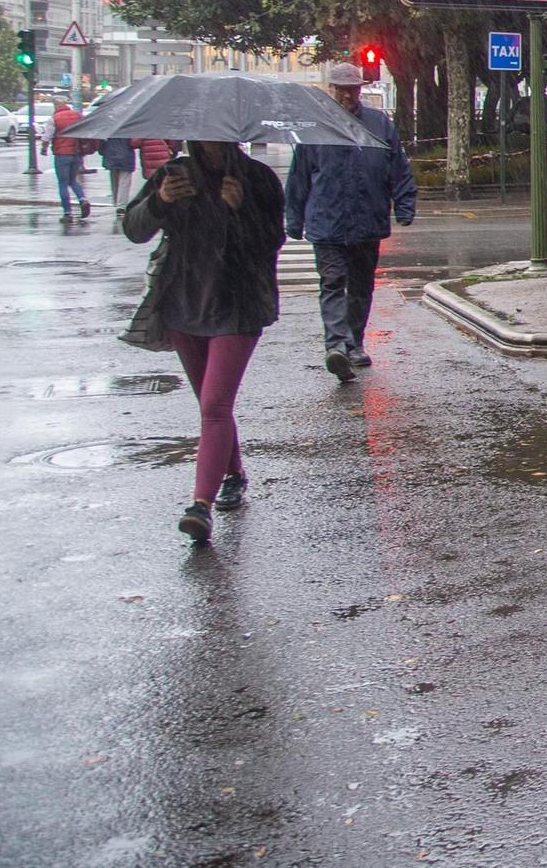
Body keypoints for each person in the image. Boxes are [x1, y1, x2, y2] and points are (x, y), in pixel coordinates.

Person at [121, 140, 286, 544]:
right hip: (183, 305)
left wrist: (241, 208)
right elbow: (134, 229)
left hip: (237, 307)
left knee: (214, 405)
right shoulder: (174, 175)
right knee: (211, 404)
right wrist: (159, 201)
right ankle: (234, 473)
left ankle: (200, 506)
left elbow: (273, 242)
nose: (207, 141)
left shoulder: (256, 178)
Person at [284, 63, 415, 382]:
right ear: (331, 89)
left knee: (360, 286)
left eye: (351, 88)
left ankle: (354, 343)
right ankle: (336, 346)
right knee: (332, 282)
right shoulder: (314, 127)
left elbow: (397, 166)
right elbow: (299, 177)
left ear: (359, 89)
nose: (346, 94)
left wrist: (404, 203)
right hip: (326, 222)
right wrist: (294, 218)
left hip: (366, 219)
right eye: (340, 88)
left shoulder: (378, 124)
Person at [41, 95, 95, 222]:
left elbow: (47, 136)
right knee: (73, 180)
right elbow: (85, 130)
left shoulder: (54, 118)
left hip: (61, 154)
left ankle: (67, 213)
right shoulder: (77, 115)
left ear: (56, 106)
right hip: (76, 153)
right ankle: (82, 199)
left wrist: (44, 148)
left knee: (63, 183)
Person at [101, 137, 137, 210]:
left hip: (110, 155)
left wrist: (104, 151)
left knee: (114, 182)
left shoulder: (109, 128)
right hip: (126, 156)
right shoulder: (129, 128)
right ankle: (121, 206)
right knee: (124, 182)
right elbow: (135, 143)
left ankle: (115, 203)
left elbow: (101, 144)